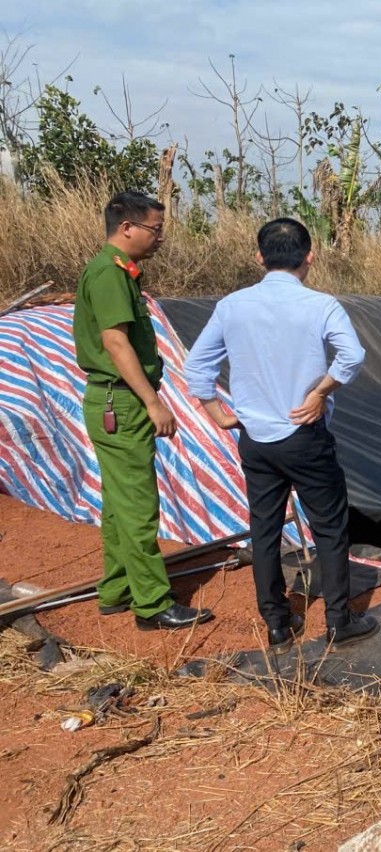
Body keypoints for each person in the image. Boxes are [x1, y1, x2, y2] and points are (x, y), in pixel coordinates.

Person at [184, 217, 377, 653]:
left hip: (256, 439)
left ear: (259, 257)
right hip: (305, 433)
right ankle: (339, 621)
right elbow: (352, 355)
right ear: (310, 256)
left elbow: (197, 367)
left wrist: (217, 412)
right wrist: (320, 392)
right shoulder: (321, 305)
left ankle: (276, 622)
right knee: (328, 527)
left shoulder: (232, 306)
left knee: (264, 529)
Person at [73, 191, 214, 630]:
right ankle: (152, 604)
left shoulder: (116, 273)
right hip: (123, 400)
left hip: (114, 400)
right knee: (137, 504)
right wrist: (153, 402)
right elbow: (116, 343)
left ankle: (117, 589)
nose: (160, 238)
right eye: (155, 229)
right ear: (126, 227)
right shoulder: (109, 274)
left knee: (119, 502)